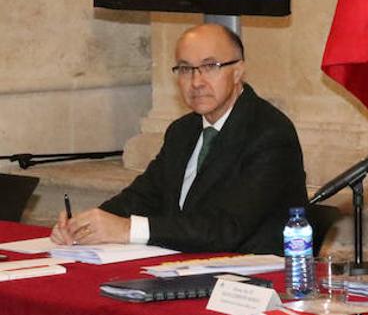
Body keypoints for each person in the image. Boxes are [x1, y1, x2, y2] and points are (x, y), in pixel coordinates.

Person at [50, 23, 308, 254]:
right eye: (185, 69)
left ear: (238, 71)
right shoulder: (182, 130)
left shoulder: (269, 133)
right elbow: (143, 196)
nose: (196, 81)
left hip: (249, 282)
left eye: (210, 67)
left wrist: (127, 229)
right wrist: (85, 225)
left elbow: (226, 229)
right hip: (182, 266)